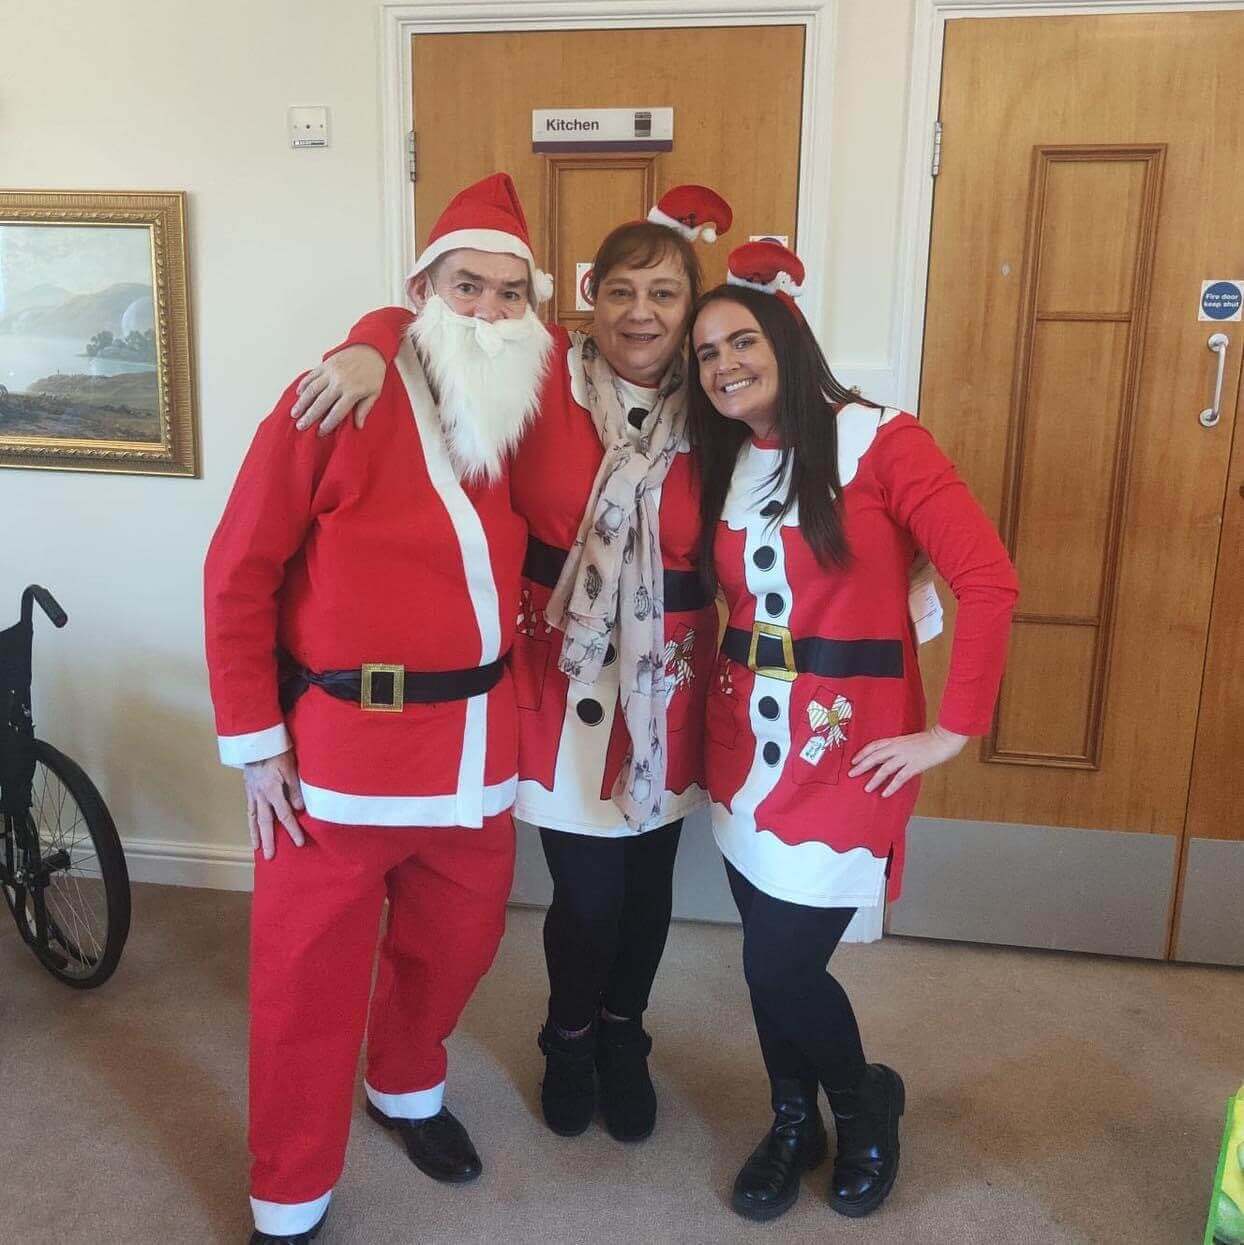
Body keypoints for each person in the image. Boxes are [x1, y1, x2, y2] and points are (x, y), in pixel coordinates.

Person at [288, 186, 732, 1144]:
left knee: (648, 885)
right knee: (590, 892)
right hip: (559, 673)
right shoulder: (539, 372)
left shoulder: (721, 399)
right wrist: (370, 338)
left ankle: (625, 1034)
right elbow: (449, 326)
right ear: (587, 295)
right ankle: (568, 1036)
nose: (642, 313)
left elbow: (798, 394)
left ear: (692, 306)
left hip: (667, 678)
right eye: (621, 291)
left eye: (664, 293)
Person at [204, 172, 553, 1244]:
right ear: (421, 291)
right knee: (305, 984)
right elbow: (237, 571)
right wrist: (257, 744)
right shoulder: (335, 396)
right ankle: (289, 1194)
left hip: (474, 751)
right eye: (465, 286)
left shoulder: (518, 404)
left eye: (509, 293)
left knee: (457, 945)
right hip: (338, 756)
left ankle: (404, 1085)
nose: (487, 311)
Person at [686, 241, 1019, 1223]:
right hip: (741, 747)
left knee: (780, 962)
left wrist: (949, 730)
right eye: (706, 353)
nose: (723, 364)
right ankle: (794, 1119)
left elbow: (987, 580)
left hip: (846, 752)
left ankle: (863, 1100)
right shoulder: (723, 460)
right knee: (764, 952)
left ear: (787, 338)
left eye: (741, 341)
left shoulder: (881, 441)